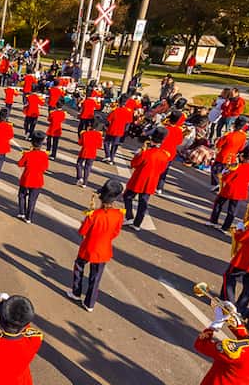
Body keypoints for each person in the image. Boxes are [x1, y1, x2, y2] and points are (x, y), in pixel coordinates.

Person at [69, 180, 124, 312]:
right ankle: (90, 303)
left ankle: (76, 293)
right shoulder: (119, 215)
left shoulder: (94, 215)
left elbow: (82, 232)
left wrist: (87, 217)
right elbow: (115, 233)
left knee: (79, 267)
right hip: (104, 249)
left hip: (89, 247)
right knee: (96, 277)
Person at [124, 133, 172, 230]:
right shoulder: (165, 155)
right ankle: (137, 224)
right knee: (143, 202)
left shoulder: (146, 152)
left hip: (139, 179)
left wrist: (139, 153)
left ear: (152, 141)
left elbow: (134, 164)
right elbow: (162, 170)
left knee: (127, 196)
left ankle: (129, 216)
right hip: (152, 181)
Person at [211, 148, 249, 231]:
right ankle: (225, 227)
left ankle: (213, 221)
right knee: (232, 211)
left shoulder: (238, 166)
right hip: (241, 191)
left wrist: (226, 171)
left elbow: (226, 178)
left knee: (218, 204)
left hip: (230, 189)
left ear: (243, 156)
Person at [16, 131, 50, 223]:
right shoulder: (44, 155)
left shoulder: (28, 154)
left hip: (26, 178)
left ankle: (22, 212)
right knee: (32, 199)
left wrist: (24, 155)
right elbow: (45, 168)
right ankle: (29, 217)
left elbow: (20, 164)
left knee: (21, 195)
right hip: (38, 180)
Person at [210, 117, 248, 186]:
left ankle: (219, 184)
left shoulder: (229, 135)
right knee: (224, 171)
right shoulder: (243, 136)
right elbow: (241, 148)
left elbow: (219, 145)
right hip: (232, 157)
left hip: (223, 156)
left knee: (215, 170)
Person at [75, 121, 104, 187]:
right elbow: (99, 146)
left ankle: (80, 177)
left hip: (84, 151)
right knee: (88, 167)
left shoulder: (84, 133)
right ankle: (85, 183)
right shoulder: (98, 135)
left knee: (79, 164)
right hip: (92, 152)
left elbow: (80, 143)